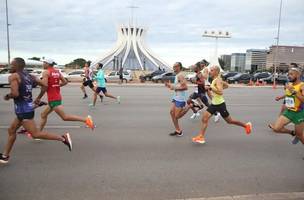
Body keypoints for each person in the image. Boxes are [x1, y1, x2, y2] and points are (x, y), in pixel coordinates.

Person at [0, 58, 72, 164]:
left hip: (24, 111)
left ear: (17, 66)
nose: (10, 66)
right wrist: (38, 98)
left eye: (12, 65)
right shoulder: (30, 76)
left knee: (36, 134)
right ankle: (5, 156)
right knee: (11, 131)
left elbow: (15, 94)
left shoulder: (13, 76)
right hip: (25, 109)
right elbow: (45, 85)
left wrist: (7, 96)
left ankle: (63, 138)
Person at [192, 65, 252, 144]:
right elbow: (227, 85)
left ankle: (246, 126)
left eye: (212, 70)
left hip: (220, 104)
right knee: (204, 119)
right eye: (210, 70)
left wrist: (210, 88)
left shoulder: (218, 80)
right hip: (214, 104)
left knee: (230, 121)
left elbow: (220, 92)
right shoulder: (216, 79)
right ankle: (201, 137)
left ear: (216, 71)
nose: (210, 71)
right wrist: (214, 88)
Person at [35, 58, 95, 132]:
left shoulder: (46, 72)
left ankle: (86, 120)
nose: (43, 64)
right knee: (43, 115)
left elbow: (44, 87)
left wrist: (38, 98)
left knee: (64, 117)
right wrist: (56, 85)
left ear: (48, 64)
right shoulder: (57, 72)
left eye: (44, 62)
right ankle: (38, 133)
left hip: (53, 99)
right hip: (56, 97)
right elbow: (65, 82)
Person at [269, 67, 304, 145]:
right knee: (276, 128)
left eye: (291, 74)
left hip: (299, 113)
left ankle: (297, 135)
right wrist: (280, 97)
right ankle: (292, 132)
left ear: (298, 75)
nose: (289, 76)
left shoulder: (302, 86)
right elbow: (288, 94)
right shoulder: (290, 84)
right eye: (289, 74)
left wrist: (294, 91)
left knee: (300, 135)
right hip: (289, 111)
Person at [165, 62, 190, 137]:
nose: (174, 68)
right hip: (176, 97)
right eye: (173, 66)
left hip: (181, 98)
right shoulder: (177, 76)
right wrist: (170, 86)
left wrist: (174, 87)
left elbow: (185, 87)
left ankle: (190, 106)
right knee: (171, 113)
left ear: (180, 67)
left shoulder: (180, 75)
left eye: (176, 66)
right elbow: (178, 87)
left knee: (177, 116)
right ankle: (178, 131)